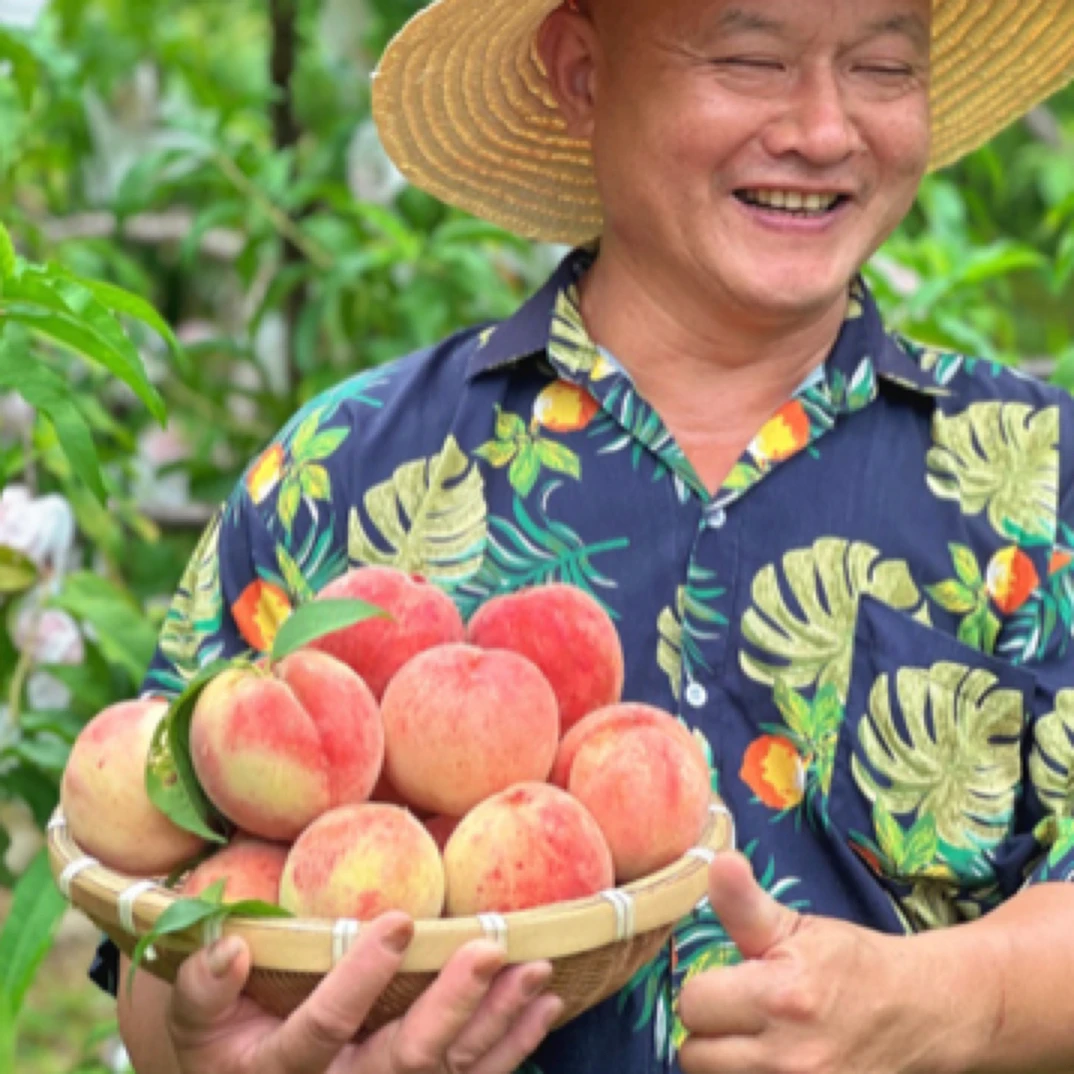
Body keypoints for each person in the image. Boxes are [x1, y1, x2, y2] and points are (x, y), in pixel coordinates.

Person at [90, 0, 1074, 1071]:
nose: (826, 130)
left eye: (884, 67)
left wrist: (954, 1001)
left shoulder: (1032, 482)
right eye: (752, 58)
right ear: (582, 74)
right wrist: (205, 1041)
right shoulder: (344, 474)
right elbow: (168, 911)